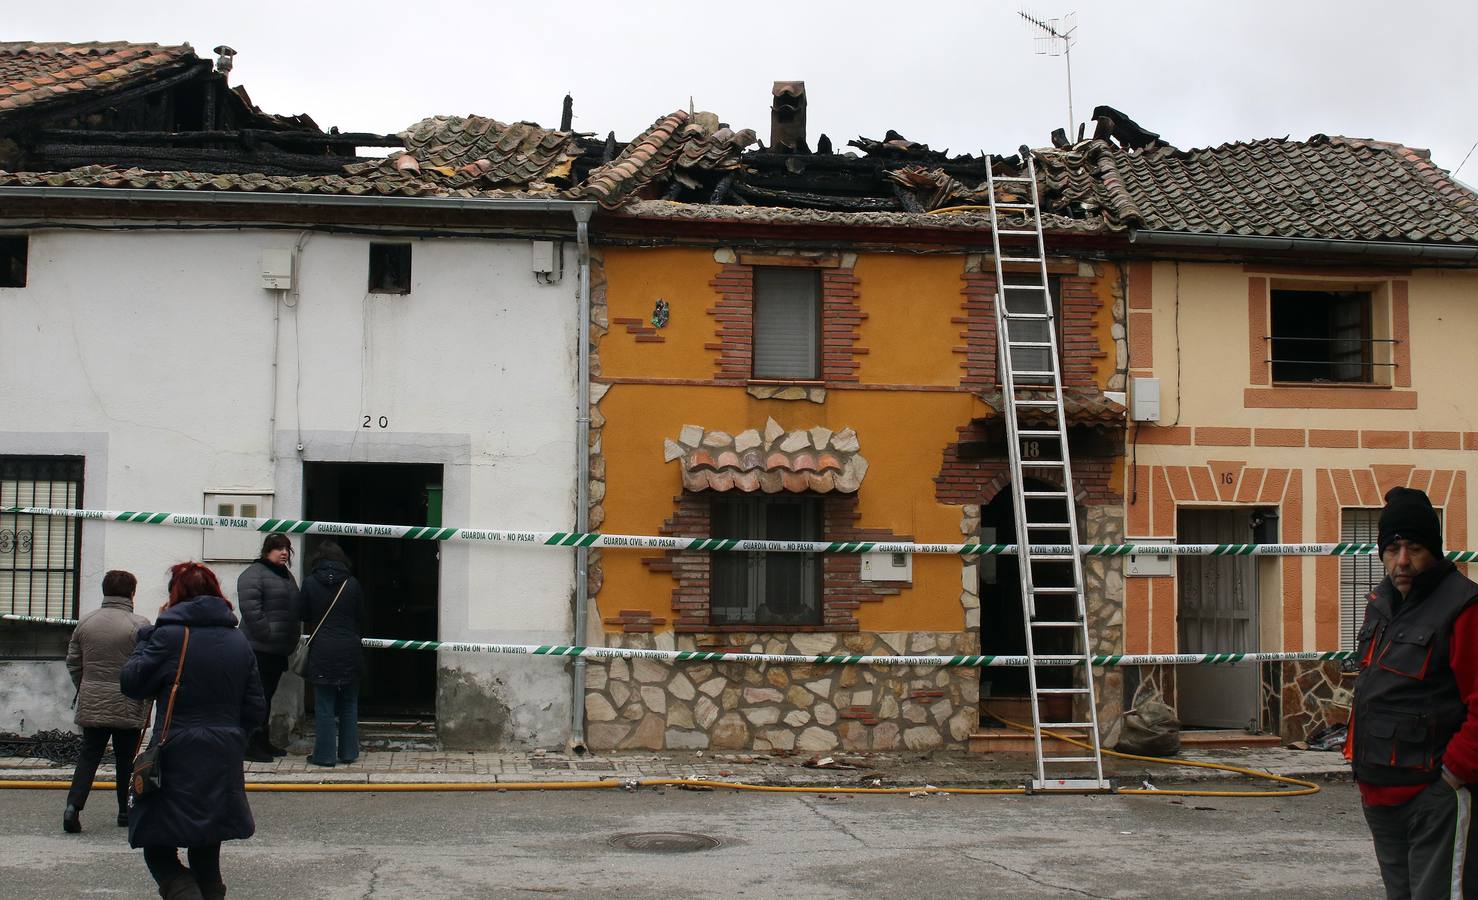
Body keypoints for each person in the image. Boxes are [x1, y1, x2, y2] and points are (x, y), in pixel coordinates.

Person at [1349, 486, 1478, 898]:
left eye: (1415, 548)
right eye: (1393, 548)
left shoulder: (1463, 606)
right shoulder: (1379, 603)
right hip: (1379, 793)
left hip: (1433, 796)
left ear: (1435, 550)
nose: (1402, 561)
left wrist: (1454, 774)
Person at [122, 562, 264, 900]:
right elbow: (256, 707)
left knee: (156, 843)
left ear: (176, 595)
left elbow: (132, 682)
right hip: (224, 750)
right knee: (206, 843)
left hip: (176, 748)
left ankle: (184, 893)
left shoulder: (168, 635)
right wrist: (235, 737)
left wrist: (145, 638)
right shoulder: (238, 640)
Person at [62, 570, 150, 833]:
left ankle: (73, 807)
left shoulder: (86, 622)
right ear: (132, 592)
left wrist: (86, 686)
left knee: (89, 755)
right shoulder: (139, 624)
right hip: (127, 701)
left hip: (93, 699)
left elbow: (73, 662)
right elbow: (147, 665)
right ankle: (125, 811)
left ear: (104, 590)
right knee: (126, 759)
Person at [235, 534, 300, 762]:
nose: (284, 553)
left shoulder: (286, 576)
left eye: (287, 549)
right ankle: (249, 745)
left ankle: (263, 741)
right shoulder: (253, 574)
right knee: (257, 698)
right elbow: (252, 610)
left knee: (267, 697)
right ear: (267, 550)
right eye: (279, 548)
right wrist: (268, 635)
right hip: (259, 649)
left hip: (276, 650)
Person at [300, 540, 364, 767]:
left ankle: (324, 756)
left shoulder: (309, 583)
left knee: (324, 704)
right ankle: (348, 752)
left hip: (322, 648)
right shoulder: (352, 583)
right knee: (349, 702)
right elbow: (360, 615)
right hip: (349, 646)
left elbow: (304, 614)